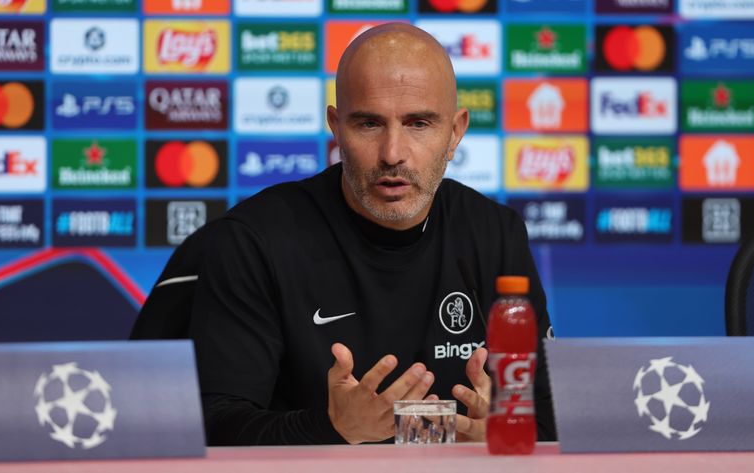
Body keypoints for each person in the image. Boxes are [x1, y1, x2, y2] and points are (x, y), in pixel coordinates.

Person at [189, 23, 556, 445]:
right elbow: (211, 427)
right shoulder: (254, 240)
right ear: (336, 126)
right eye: (368, 124)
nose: (393, 153)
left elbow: (551, 418)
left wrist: (502, 431)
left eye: (418, 123)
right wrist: (330, 428)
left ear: (455, 133)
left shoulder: (496, 234)